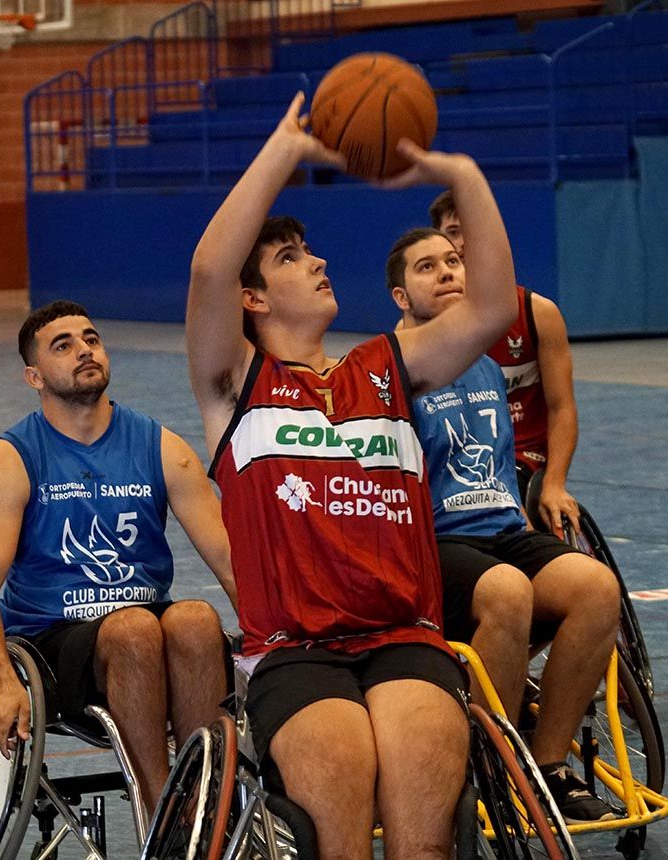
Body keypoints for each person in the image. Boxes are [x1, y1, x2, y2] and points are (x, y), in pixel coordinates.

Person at [186, 94, 517, 860]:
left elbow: (494, 305)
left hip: (404, 634)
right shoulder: (235, 382)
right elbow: (209, 267)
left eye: (311, 250)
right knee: (337, 805)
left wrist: (461, 174)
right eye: (291, 257)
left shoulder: (387, 367)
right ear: (254, 298)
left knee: (422, 820)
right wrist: (284, 149)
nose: (319, 261)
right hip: (294, 648)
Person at [0, 300, 235, 818]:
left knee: (198, 619)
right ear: (34, 376)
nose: (84, 349)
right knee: (132, 630)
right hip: (56, 642)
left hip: (150, 626)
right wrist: (1, 679)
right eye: (63, 345)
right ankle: (161, 822)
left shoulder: (161, 446)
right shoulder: (12, 458)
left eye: (91, 339)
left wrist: (278, 643)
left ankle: (202, 819)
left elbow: (228, 558)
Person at [389, 227, 621, 823]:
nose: (446, 273)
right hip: (434, 543)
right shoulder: (390, 371)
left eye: (453, 262)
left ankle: (543, 770)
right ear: (400, 296)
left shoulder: (486, 365)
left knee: (597, 589)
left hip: (501, 530)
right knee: (508, 592)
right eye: (426, 267)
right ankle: (488, 763)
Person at [429, 190, 581, 534]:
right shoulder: (423, 329)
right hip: (455, 462)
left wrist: (554, 483)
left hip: (522, 459)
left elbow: (562, 408)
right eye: (453, 231)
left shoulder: (537, 313)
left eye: (473, 227)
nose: (464, 241)